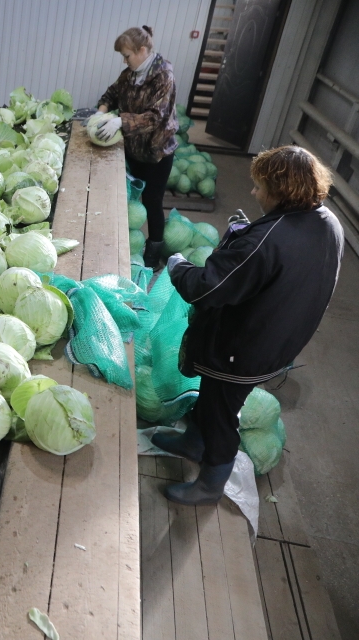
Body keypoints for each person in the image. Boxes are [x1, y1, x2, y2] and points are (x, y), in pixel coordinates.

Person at [153, 146, 343, 505]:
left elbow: (208, 287)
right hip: (283, 336)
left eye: (259, 187)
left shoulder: (269, 239)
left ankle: (210, 484)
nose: (254, 193)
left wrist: (178, 265)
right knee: (213, 397)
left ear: (280, 191)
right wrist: (242, 236)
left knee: (223, 413)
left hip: (244, 346)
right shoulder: (327, 222)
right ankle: (193, 441)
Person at [96, 25, 178, 268]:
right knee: (129, 199)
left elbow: (156, 117)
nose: (124, 60)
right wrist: (100, 112)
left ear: (142, 50)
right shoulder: (130, 73)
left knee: (152, 202)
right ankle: (124, 247)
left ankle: (153, 253)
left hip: (156, 153)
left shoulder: (163, 76)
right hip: (134, 150)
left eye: (127, 55)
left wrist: (121, 121)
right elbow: (112, 93)